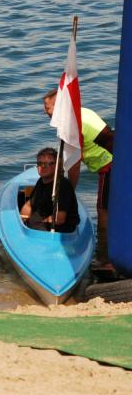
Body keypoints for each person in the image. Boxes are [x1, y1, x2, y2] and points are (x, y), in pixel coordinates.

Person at [43, 88, 114, 265]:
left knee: (103, 211)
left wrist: (68, 193)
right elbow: (68, 154)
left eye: (47, 107)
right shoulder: (80, 113)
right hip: (120, 158)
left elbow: (74, 164)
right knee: (113, 207)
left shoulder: (71, 126)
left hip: (111, 164)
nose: (45, 112)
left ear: (59, 106)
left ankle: (104, 257)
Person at [20, 147, 79, 233]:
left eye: (48, 163)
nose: (42, 167)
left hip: (57, 229)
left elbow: (59, 218)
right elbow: (30, 204)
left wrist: (36, 224)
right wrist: (23, 219)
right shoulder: (41, 181)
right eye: (39, 163)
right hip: (39, 220)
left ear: (57, 165)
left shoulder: (62, 186)